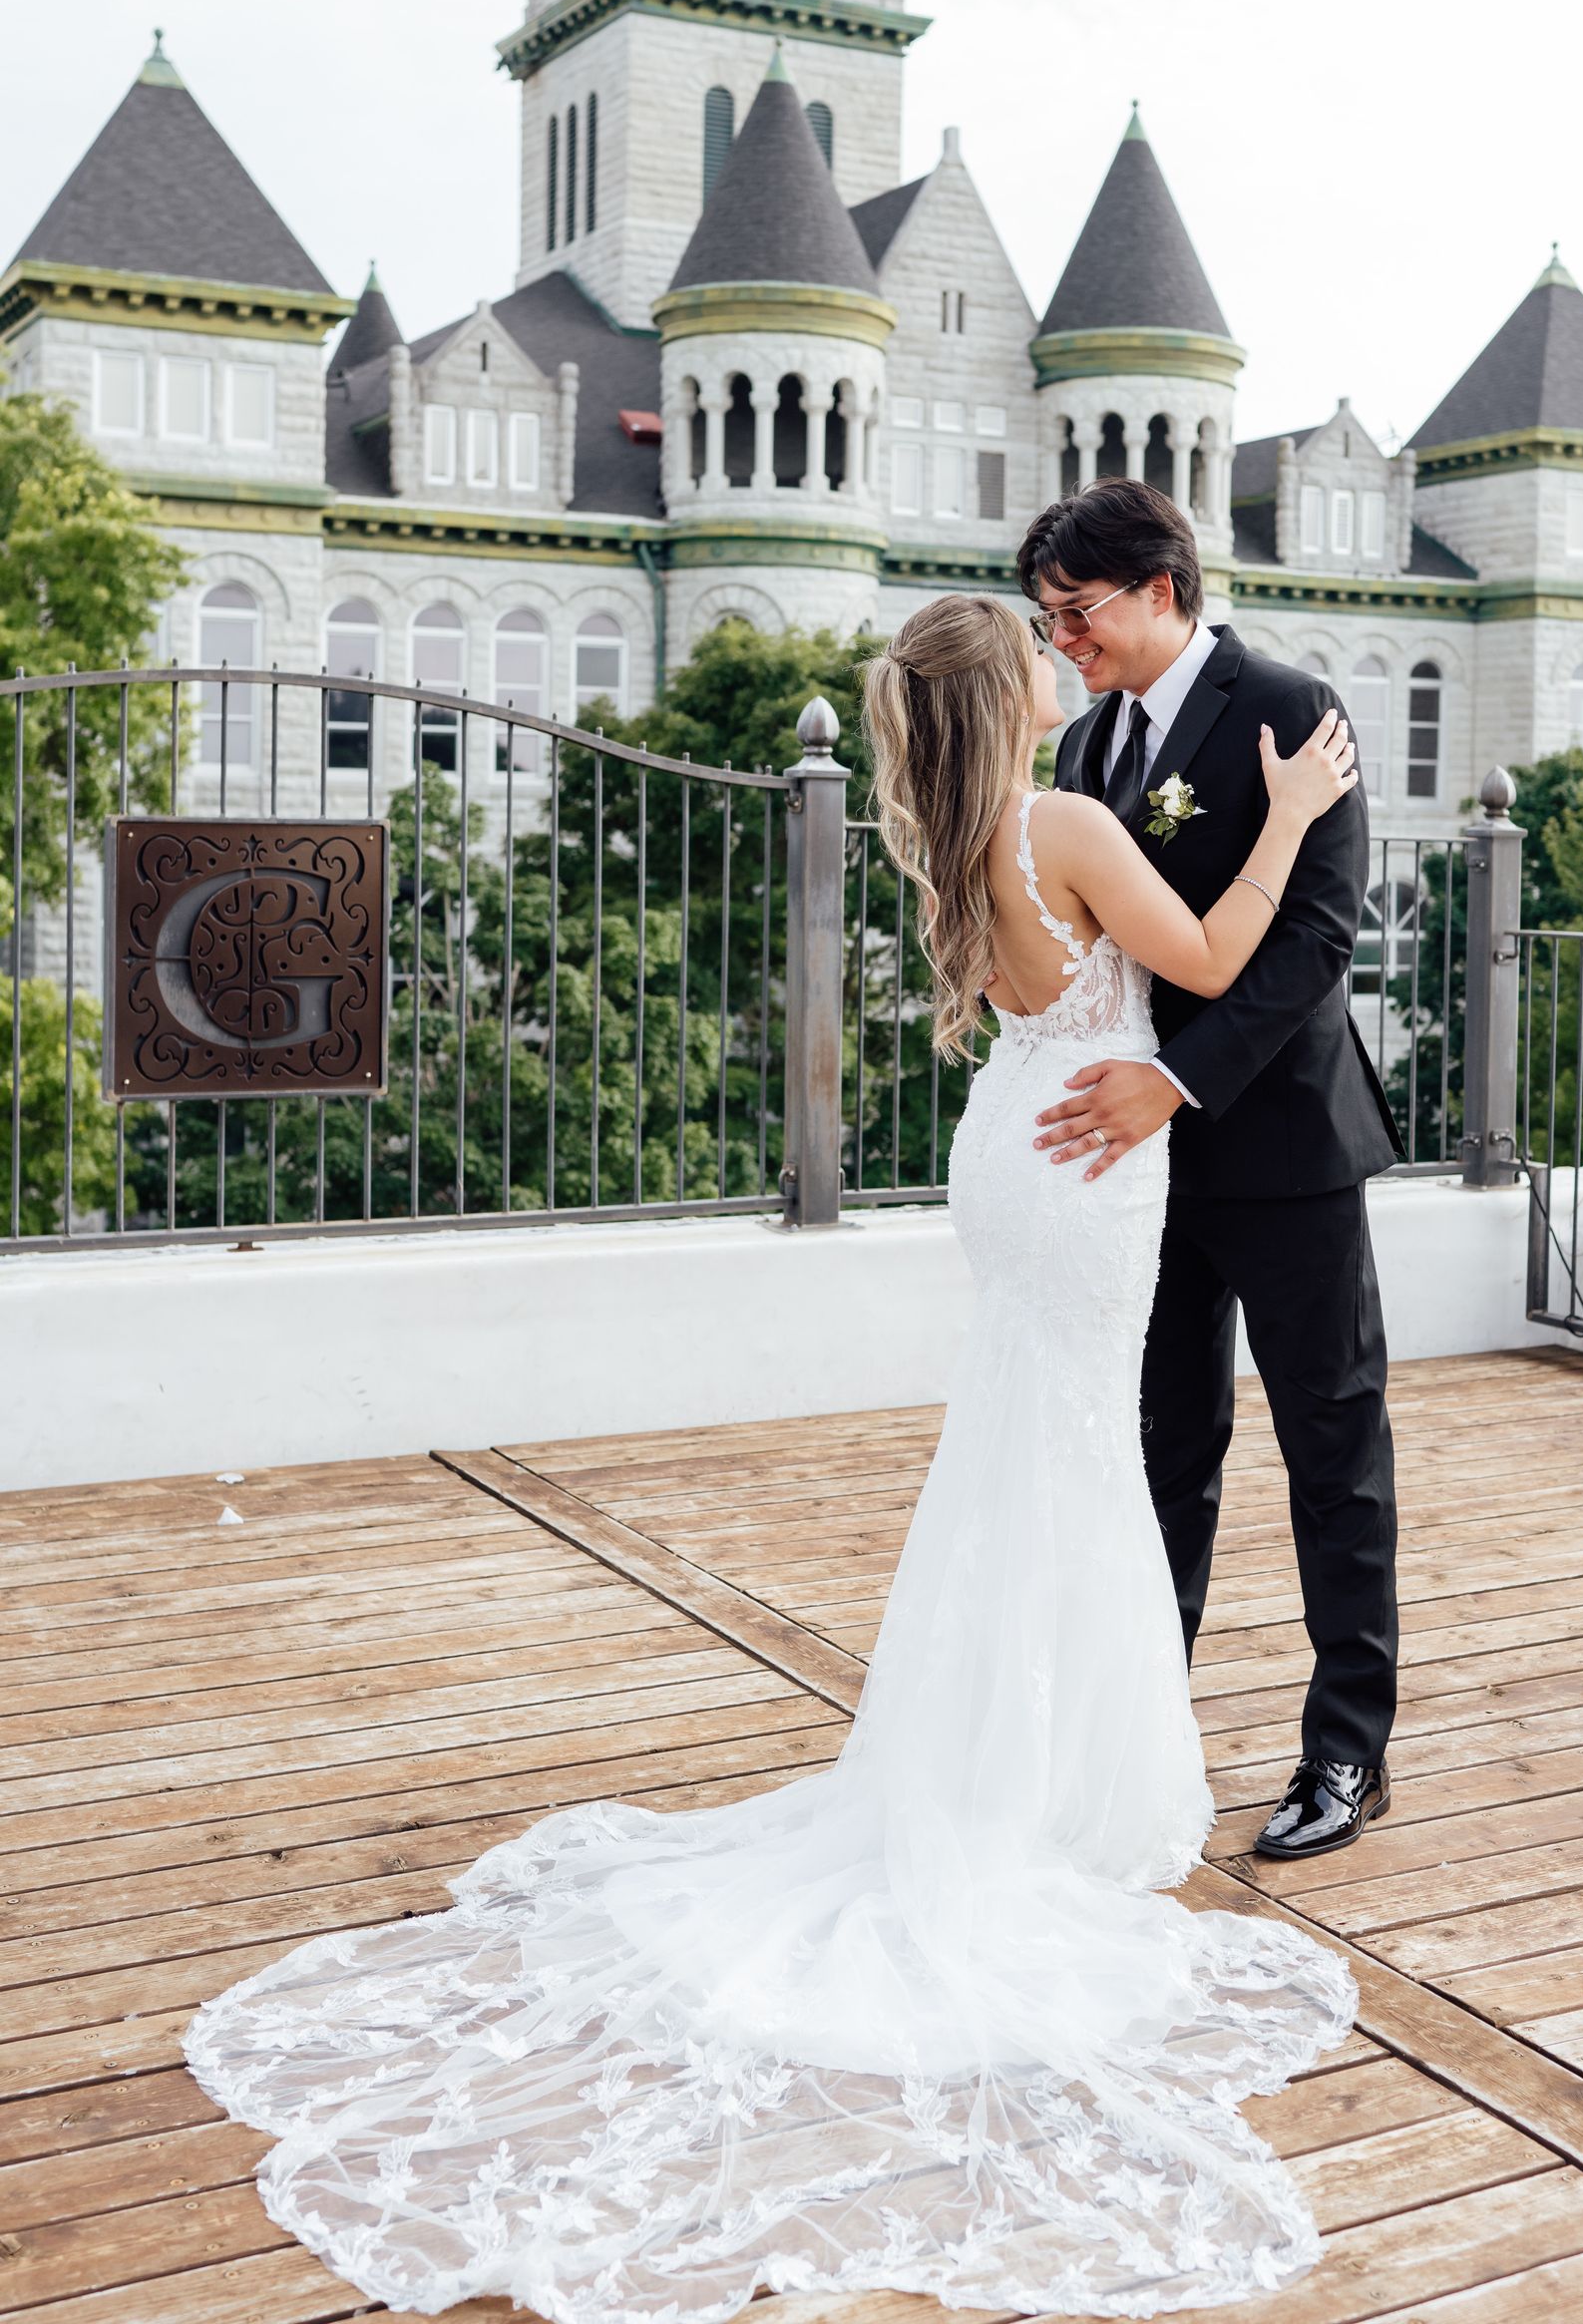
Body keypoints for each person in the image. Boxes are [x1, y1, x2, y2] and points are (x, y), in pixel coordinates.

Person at [184, 588, 1361, 2324]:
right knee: (1079, 1466)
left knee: (1035, 1460)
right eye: (1034, 654)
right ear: (1007, 697)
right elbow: (1205, 958)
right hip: (1094, 1170)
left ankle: (1014, 1772)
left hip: (1019, 1160)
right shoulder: (1079, 822)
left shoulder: (966, 838)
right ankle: (1041, 1795)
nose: (1058, 663)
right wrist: (1302, 821)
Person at [1022, 477, 1405, 1861]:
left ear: (1161, 588)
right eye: (1048, 620)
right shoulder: (1080, 753)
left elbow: (1314, 942)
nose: (1066, 639)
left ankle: (1347, 1753)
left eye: (1080, 612)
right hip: (1139, 1173)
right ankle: (1145, 1740)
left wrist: (1173, 1082)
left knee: (1334, 1455)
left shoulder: (1291, 710)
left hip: (1287, 1146)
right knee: (1162, 1454)